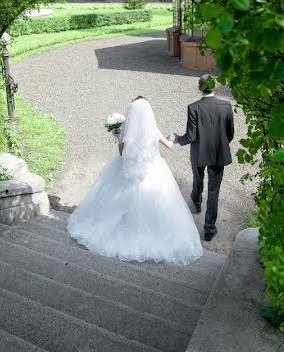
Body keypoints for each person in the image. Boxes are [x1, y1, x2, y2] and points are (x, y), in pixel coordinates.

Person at [66, 97, 203, 265]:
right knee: (158, 204)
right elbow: (168, 145)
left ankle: (121, 226)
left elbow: (123, 155)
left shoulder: (125, 132)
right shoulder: (154, 131)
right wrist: (173, 137)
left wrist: (117, 135)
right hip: (153, 171)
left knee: (119, 200)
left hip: (127, 172)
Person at [173, 75, 234, 242]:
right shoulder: (226, 106)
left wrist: (178, 139)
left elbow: (191, 136)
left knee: (198, 178)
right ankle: (209, 229)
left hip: (199, 152)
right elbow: (230, 134)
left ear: (199, 88)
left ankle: (196, 200)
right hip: (218, 153)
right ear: (215, 87)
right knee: (214, 191)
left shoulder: (194, 107)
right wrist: (219, 145)